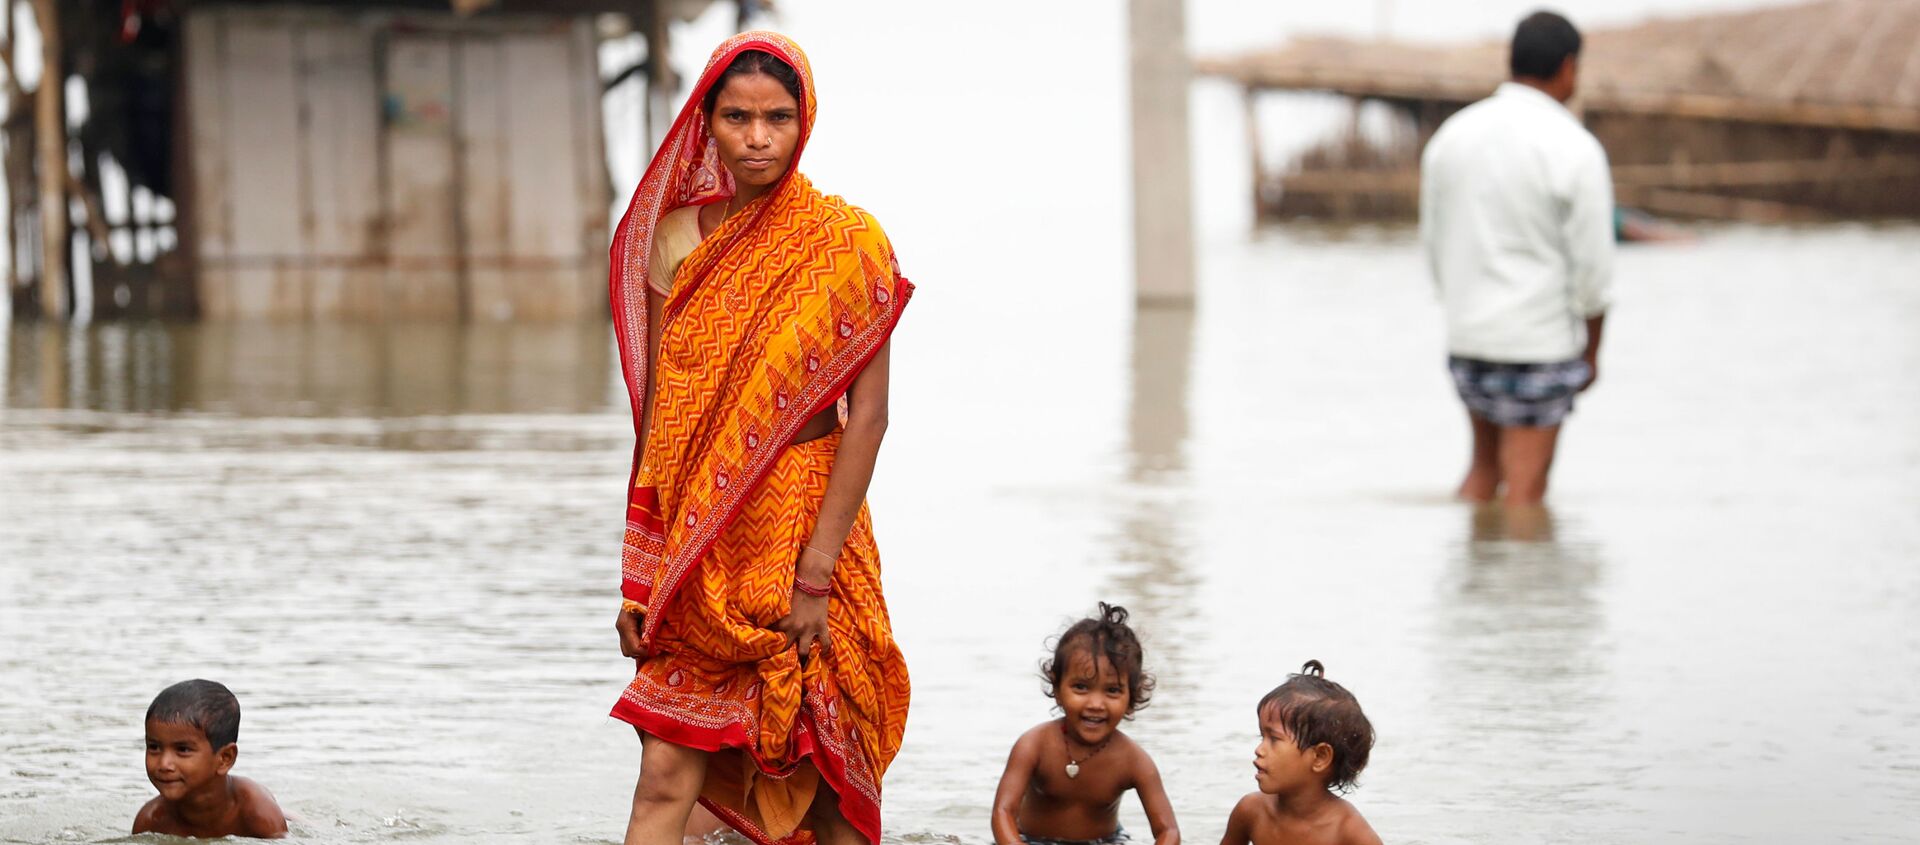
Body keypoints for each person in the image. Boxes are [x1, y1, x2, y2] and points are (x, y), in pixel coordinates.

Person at [604, 32, 914, 845]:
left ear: (804, 120)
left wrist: (814, 574)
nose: (756, 136)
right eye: (736, 116)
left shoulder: (848, 242)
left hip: (813, 521)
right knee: (664, 769)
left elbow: (869, 417)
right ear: (705, 123)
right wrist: (641, 576)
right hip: (703, 538)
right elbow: (663, 419)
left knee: (831, 785)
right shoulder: (676, 239)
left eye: (777, 116)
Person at [1419, 10, 1614, 506]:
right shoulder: (1574, 147)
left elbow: (1433, 243)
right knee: (1526, 492)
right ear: (1568, 67)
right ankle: (1517, 586)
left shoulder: (1452, 136)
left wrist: (1457, 311)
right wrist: (1591, 353)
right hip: (1535, 345)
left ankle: (1470, 579)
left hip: (1468, 339)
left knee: (1483, 472)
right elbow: (1594, 270)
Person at [991, 604, 1179, 845]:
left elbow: (1169, 832)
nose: (1095, 704)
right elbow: (1002, 813)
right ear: (1057, 689)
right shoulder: (1034, 745)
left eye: (1112, 690)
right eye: (1081, 687)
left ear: (1131, 698)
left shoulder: (1133, 761)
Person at [1219, 662, 1379, 845]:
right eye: (1262, 737)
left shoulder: (1348, 831)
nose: (1259, 750)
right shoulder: (1250, 812)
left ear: (1319, 757)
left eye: (1274, 739)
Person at [132, 679, 287, 839]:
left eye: (182, 750)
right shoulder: (150, 821)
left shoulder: (259, 813)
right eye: (154, 747)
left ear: (225, 758)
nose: (164, 764)